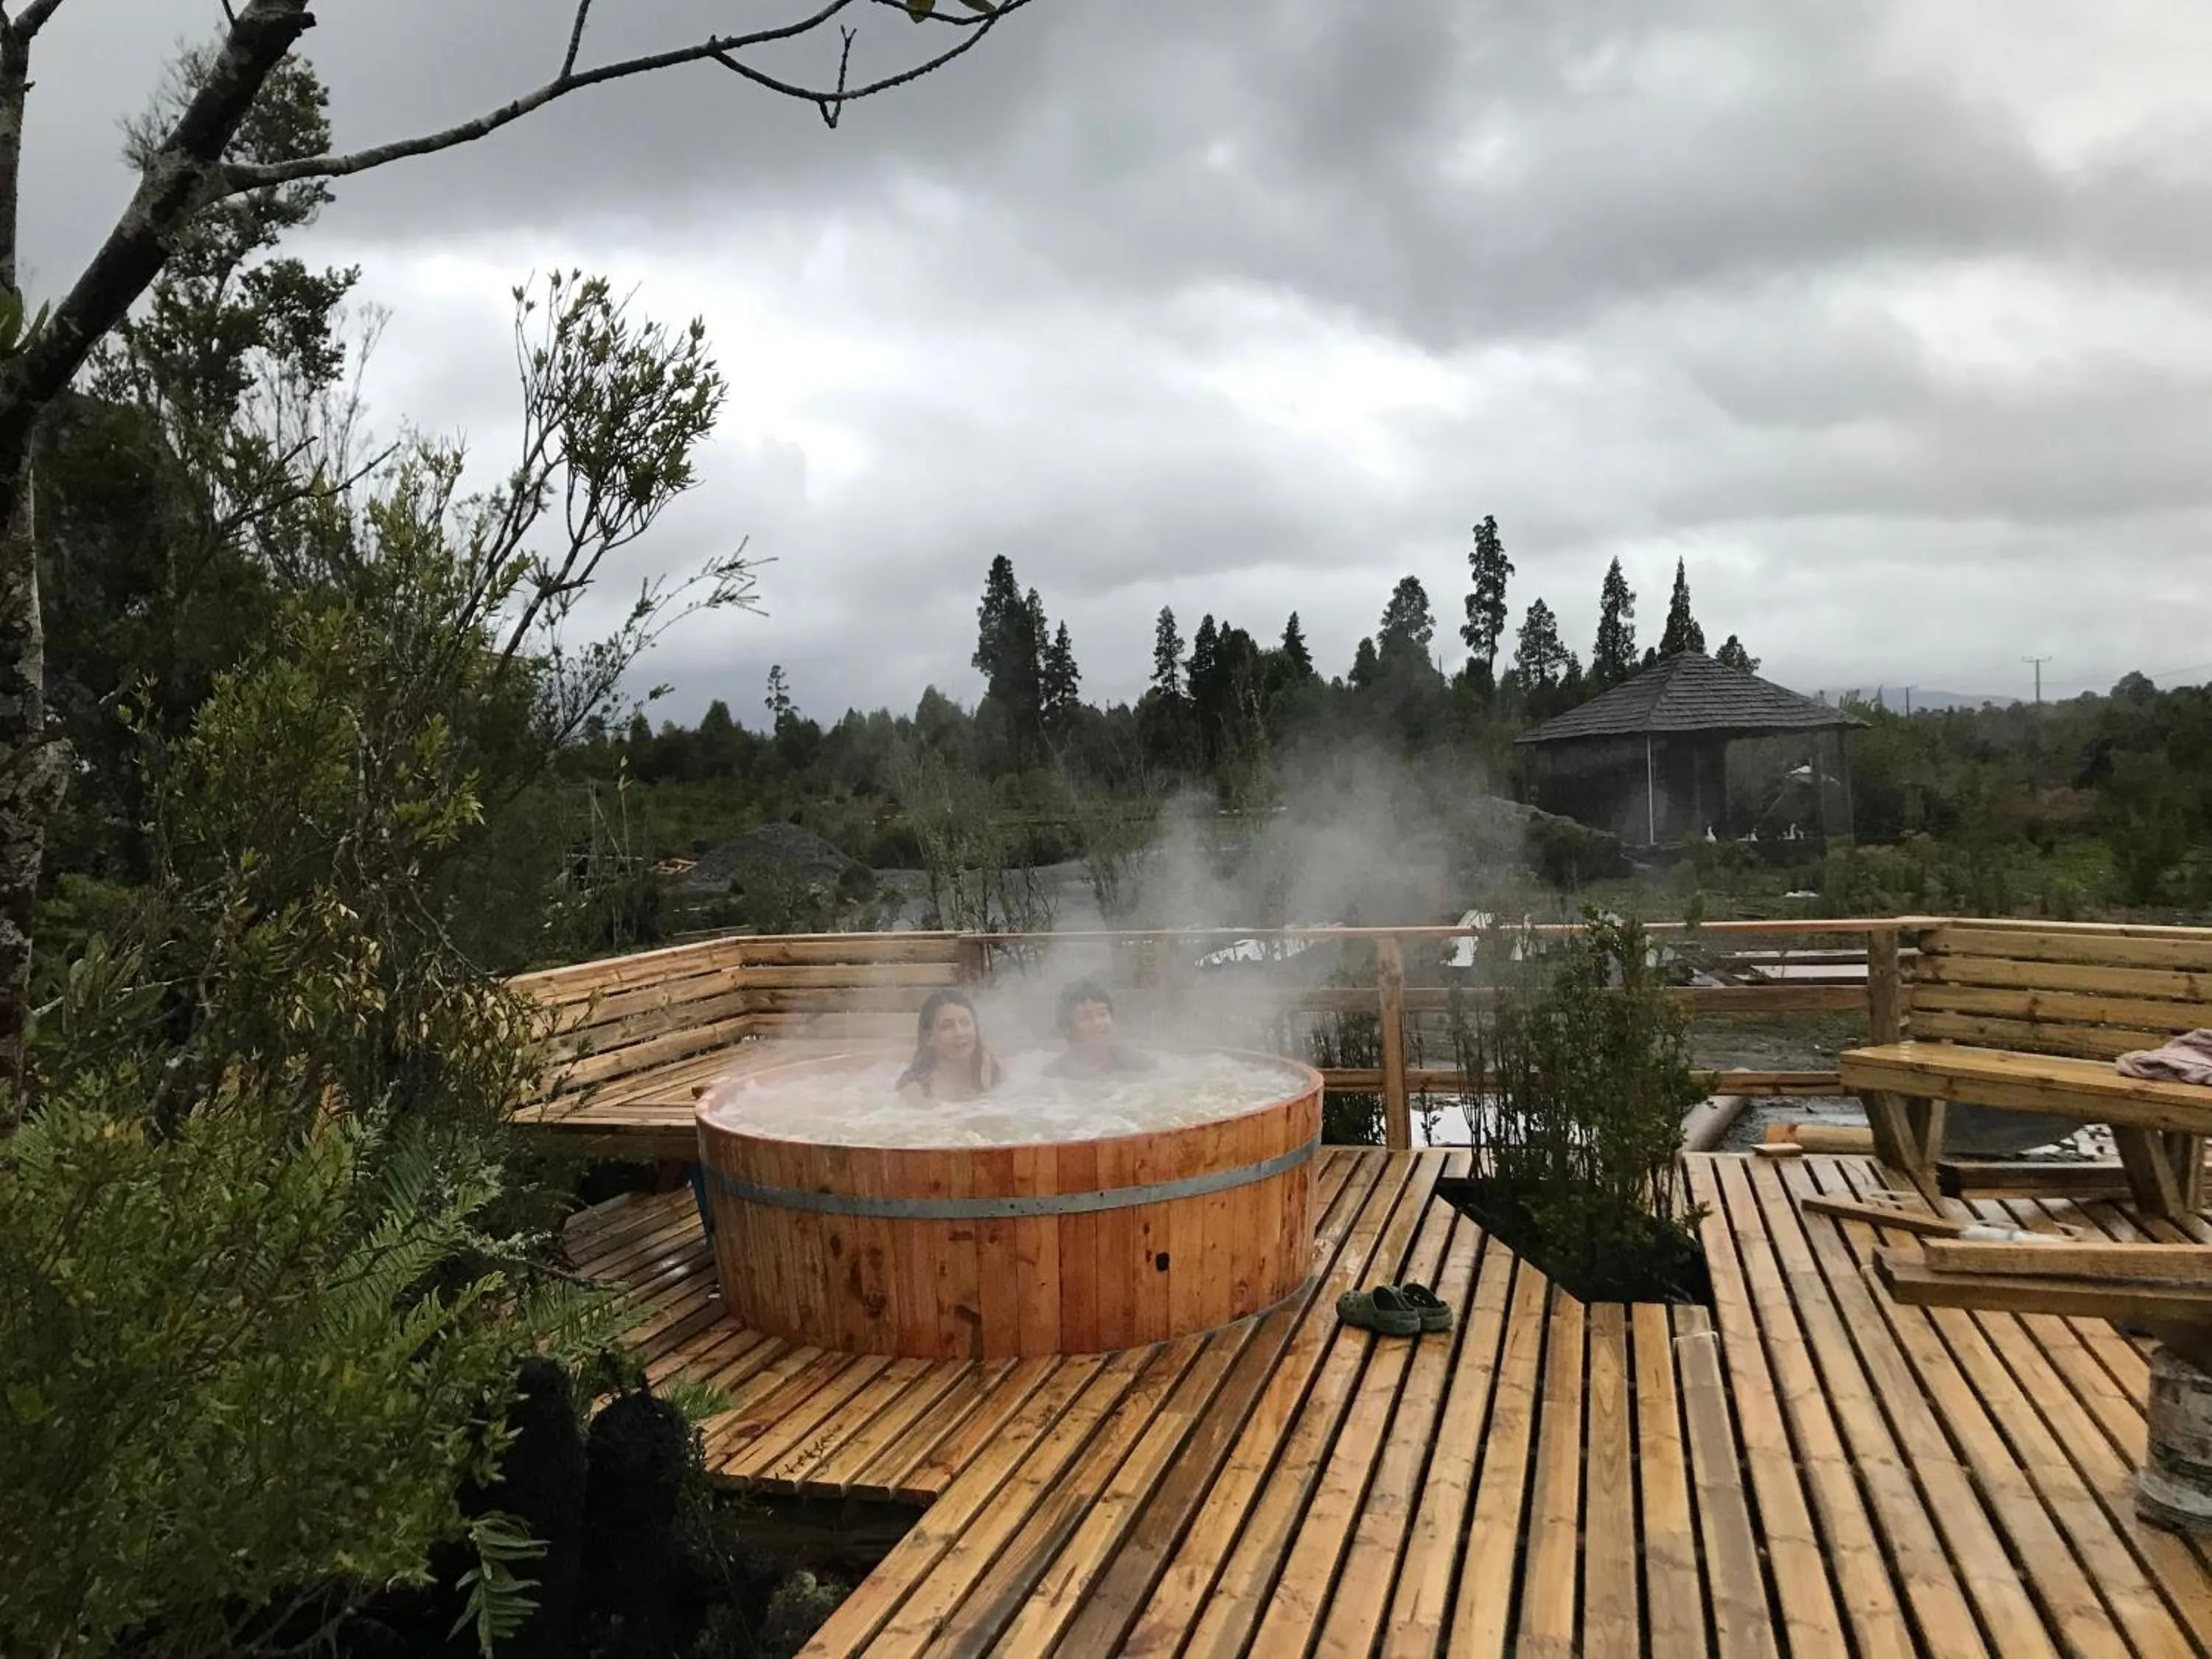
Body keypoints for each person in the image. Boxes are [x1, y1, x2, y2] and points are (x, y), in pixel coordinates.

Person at [895, 988, 1004, 1102]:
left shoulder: (992, 1069)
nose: (959, 1033)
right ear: (929, 1038)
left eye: (966, 1023)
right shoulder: (915, 1090)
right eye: (946, 1026)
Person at [1043, 979, 1158, 1080]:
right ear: (1067, 1028)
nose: (1097, 1023)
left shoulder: (1138, 1065)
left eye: (1102, 1014)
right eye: (1085, 1017)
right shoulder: (1054, 1076)